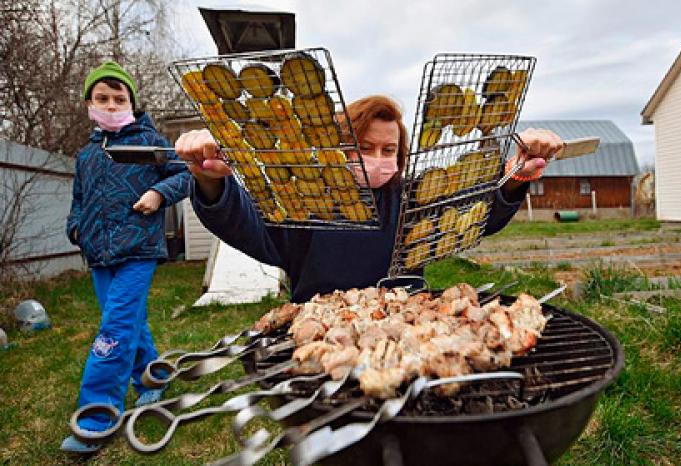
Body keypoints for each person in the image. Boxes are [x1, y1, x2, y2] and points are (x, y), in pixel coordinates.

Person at [176, 95, 562, 302]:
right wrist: (211, 184)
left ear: (401, 154)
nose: (377, 159)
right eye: (363, 147)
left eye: (387, 149)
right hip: (321, 329)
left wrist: (513, 179)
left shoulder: (413, 201)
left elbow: (475, 214)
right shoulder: (308, 202)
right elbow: (249, 225)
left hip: (407, 325)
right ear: (339, 148)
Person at [61, 61, 191, 454]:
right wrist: (76, 229)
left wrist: (158, 194)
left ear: (132, 102)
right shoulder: (86, 155)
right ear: (89, 103)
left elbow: (185, 175)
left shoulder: (149, 141)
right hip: (99, 253)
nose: (112, 104)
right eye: (102, 98)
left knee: (114, 329)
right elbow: (78, 200)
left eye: (120, 98)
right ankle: (153, 379)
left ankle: (97, 416)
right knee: (126, 320)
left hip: (138, 250)